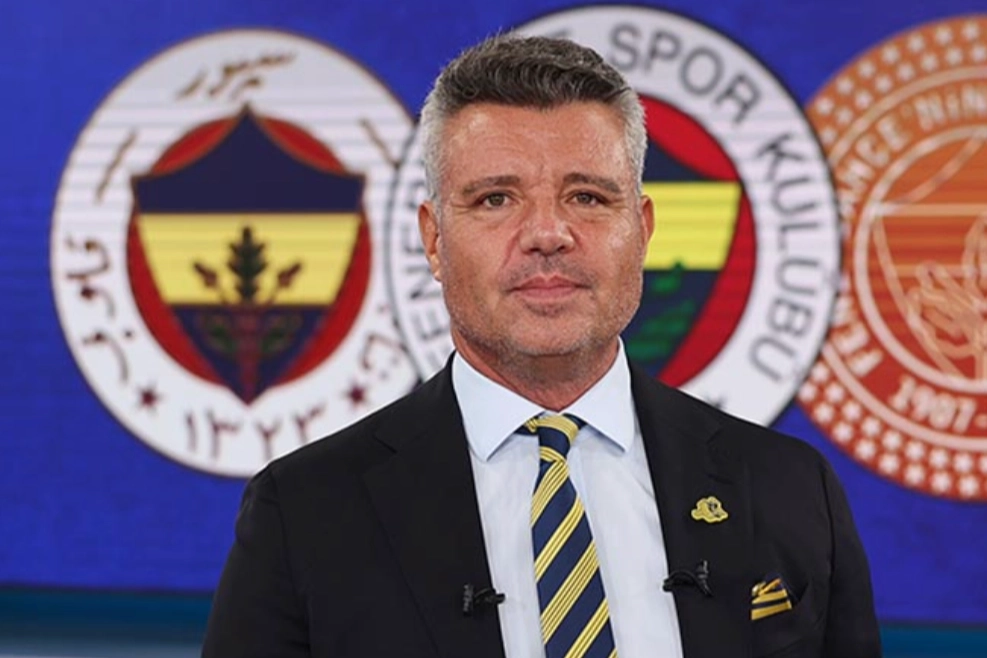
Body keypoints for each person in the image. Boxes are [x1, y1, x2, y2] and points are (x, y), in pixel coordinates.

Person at [202, 35, 881, 658]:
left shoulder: (790, 490)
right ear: (434, 240)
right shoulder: (305, 513)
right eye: (496, 200)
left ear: (641, 229)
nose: (548, 234)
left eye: (587, 197)